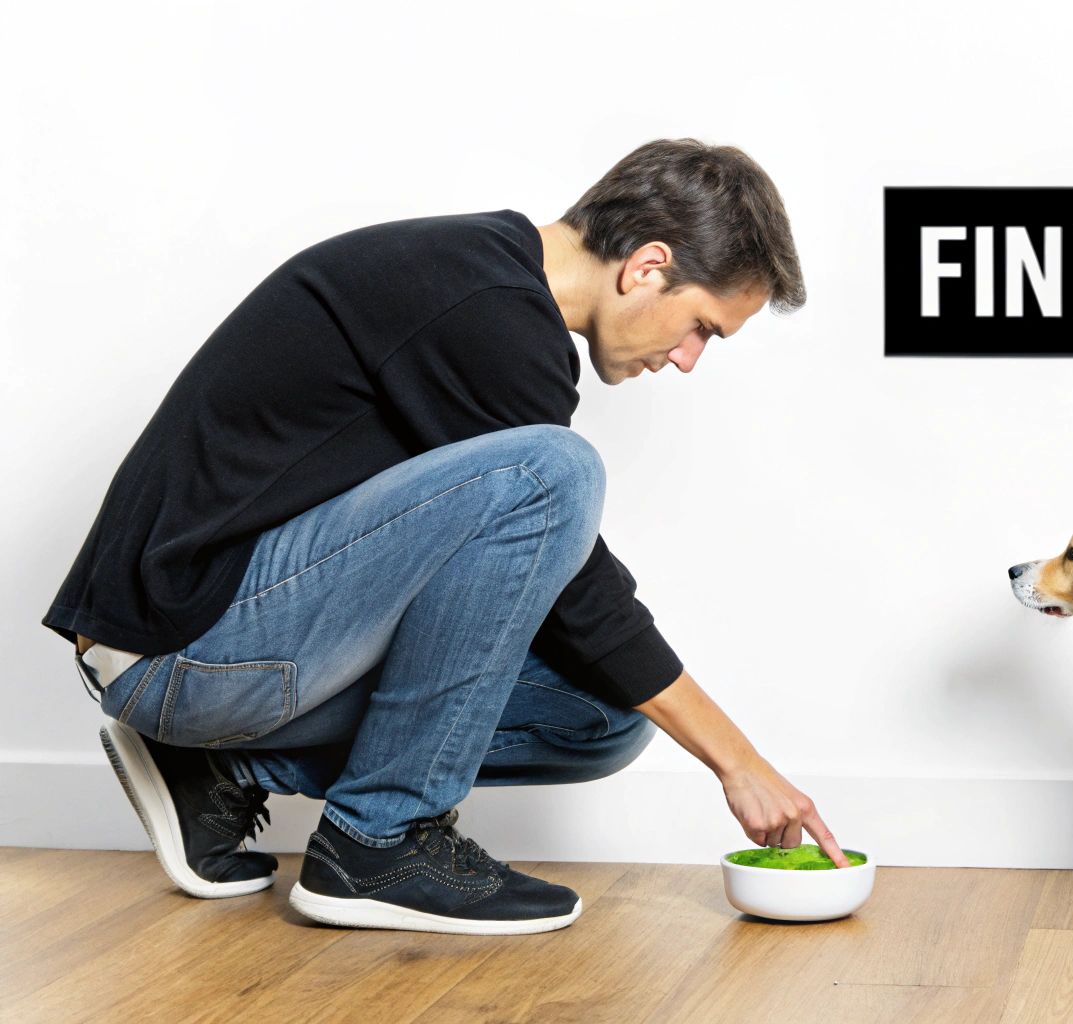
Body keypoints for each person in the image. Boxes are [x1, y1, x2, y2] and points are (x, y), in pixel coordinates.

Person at [42, 138, 848, 936]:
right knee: (553, 473)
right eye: (702, 326)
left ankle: (222, 769)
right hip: (183, 647)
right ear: (646, 265)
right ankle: (379, 843)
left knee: (602, 713)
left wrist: (711, 742)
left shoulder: (486, 285)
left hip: (226, 647)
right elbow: (580, 591)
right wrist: (737, 761)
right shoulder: (480, 300)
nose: (687, 359)